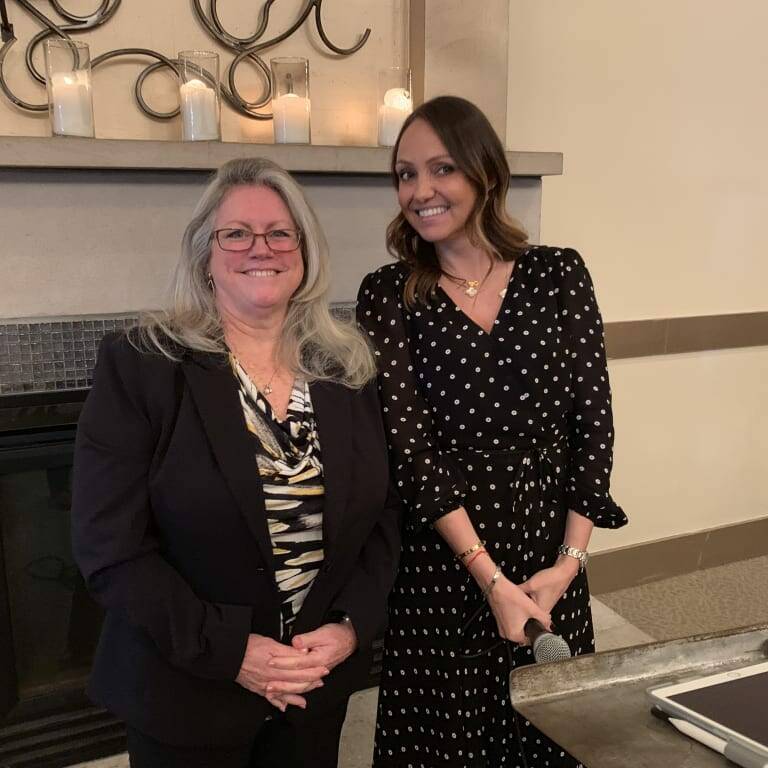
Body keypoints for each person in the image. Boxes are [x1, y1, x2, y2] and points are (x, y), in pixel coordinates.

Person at [72, 157, 401, 768]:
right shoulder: (143, 365)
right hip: (187, 693)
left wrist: (352, 626)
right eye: (237, 233)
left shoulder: (346, 366)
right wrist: (231, 653)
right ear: (205, 252)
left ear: (304, 251)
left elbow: (382, 516)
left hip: (311, 685)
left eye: (281, 232)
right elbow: (108, 547)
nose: (262, 248)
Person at [357, 95, 628, 767]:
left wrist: (569, 566)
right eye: (405, 174)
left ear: (485, 173)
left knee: (547, 726)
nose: (420, 191)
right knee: (448, 740)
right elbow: (407, 447)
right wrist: (489, 580)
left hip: (546, 553)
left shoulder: (558, 273)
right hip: (443, 560)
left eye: (441, 168)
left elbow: (592, 427)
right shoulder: (388, 293)